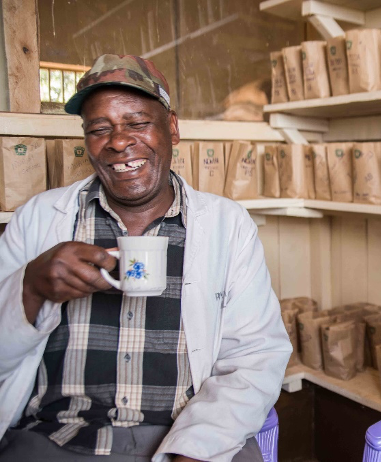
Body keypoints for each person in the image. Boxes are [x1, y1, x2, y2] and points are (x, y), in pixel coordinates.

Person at [0, 55, 292, 462]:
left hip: (187, 436)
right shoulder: (40, 218)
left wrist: (196, 448)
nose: (118, 141)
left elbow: (255, 357)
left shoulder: (227, 224)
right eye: (99, 129)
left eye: (137, 123)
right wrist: (29, 289)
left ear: (171, 128)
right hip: (55, 438)